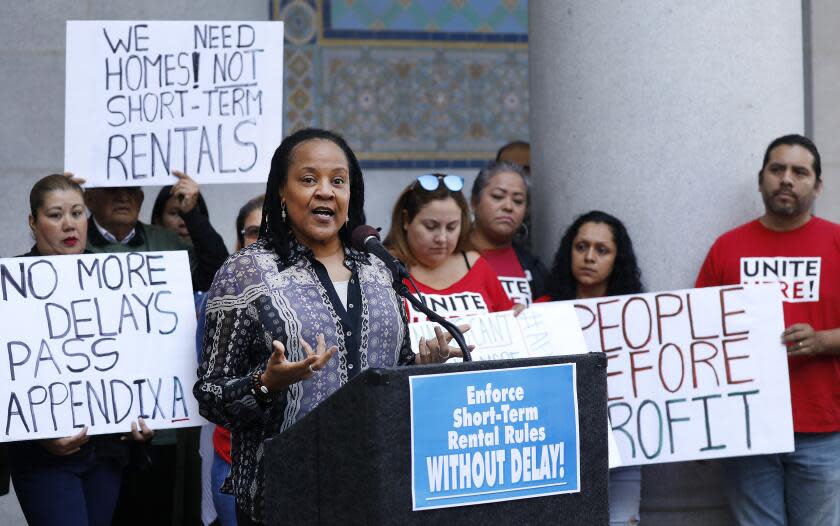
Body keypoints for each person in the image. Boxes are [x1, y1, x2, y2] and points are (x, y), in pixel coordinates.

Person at [194, 129, 458, 526]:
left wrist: (426, 365)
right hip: (285, 498)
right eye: (308, 179)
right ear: (282, 191)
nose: (325, 191)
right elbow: (211, 395)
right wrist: (266, 383)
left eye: (338, 180)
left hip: (375, 489)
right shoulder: (244, 273)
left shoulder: (380, 270)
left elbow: (394, 374)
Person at [695, 134, 840, 526]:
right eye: (777, 169)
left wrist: (824, 341)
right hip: (748, 430)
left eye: (800, 171)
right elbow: (697, 335)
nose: (787, 179)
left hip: (823, 428)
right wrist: (699, 424)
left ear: (818, 185)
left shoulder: (837, 241)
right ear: (761, 180)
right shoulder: (727, 247)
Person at [7, 174, 153, 526]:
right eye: (55, 215)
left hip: (107, 452)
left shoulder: (119, 278)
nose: (69, 224)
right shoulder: (9, 287)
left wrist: (148, 415)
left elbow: (141, 357)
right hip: (42, 458)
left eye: (77, 212)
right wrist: (39, 435)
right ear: (33, 221)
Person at [547, 210, 643, 525]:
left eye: (602, 250)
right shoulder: (543, 310)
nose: (589, 257)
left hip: (623, 449)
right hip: (560, 452)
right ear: (568, 251)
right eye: (581, 247)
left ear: (618, 259)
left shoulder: (638, 315)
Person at [384, 174, 518, 323]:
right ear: (406, 220)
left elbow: (507, 320)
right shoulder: (384, 267)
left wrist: (518, 317)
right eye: (431, 226)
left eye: (452, 227)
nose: (442, 238)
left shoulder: (476, 264)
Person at [469, 161, 548, 306]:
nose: (508, 206)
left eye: (518, 201)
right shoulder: (448, 256)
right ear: (475, 201)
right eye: (498, 196)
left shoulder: (534, 267)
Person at [150, 169, 229, 291]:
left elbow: (220, 272)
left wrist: (191, 214)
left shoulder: (201, 264)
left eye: (190, 213)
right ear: (158, 220)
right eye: (174, 213)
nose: (184, 222)